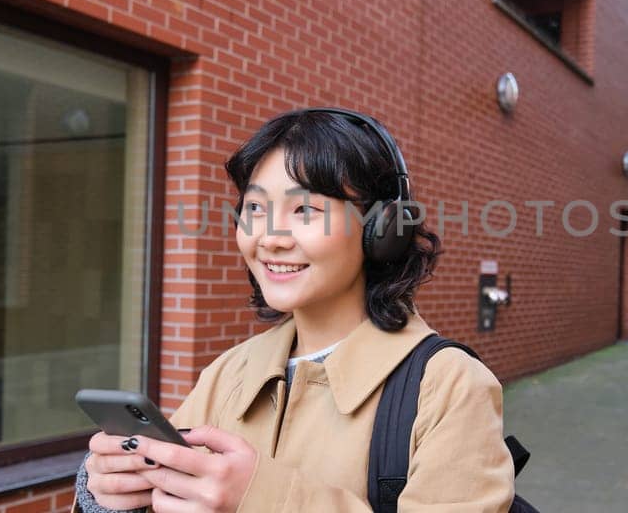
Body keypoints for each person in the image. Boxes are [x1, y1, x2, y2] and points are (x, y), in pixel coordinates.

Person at [75, 108, 515, 512]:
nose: (270, 237)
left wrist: (261, 498)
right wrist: (112, 497)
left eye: (304, 208)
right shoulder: (229, 373)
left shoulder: (448, 386)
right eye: (254, 208)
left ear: (385, 229)